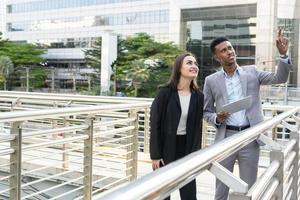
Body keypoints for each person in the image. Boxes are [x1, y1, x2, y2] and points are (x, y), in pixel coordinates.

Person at [203, 29, 292, 200]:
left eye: (230, 48)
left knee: (249, 188)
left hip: (250, 137)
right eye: (223, 50)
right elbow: (206, 111)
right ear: (217, 57)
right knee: (221, 189)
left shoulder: (252, 72)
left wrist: (283, 55)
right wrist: (216, 118)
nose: (229, 52)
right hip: (225, 138)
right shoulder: (211, 80)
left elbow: (280, 78)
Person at [150, 52, 204, 200]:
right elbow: (154, 124)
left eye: (195, 63)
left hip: (187, 148)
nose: (194, 66)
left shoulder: (198, 96)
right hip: (166, 146)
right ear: (179, 68)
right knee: (163, 192)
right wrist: (155, 155)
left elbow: (197, 128)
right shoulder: (165, 93)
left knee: (189, 193)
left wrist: (196, 154)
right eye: (189, 63)